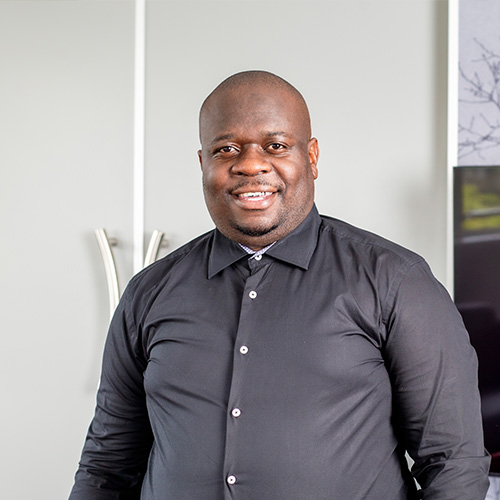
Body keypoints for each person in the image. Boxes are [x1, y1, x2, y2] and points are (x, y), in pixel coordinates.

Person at [69, 70, 490, 499]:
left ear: (312, 156)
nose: (250, 164)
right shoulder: (149, 292)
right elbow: (107, 465)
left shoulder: (395, 281)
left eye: (275, 146)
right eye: (226, 149)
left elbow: (452, 461)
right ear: (203, 164)